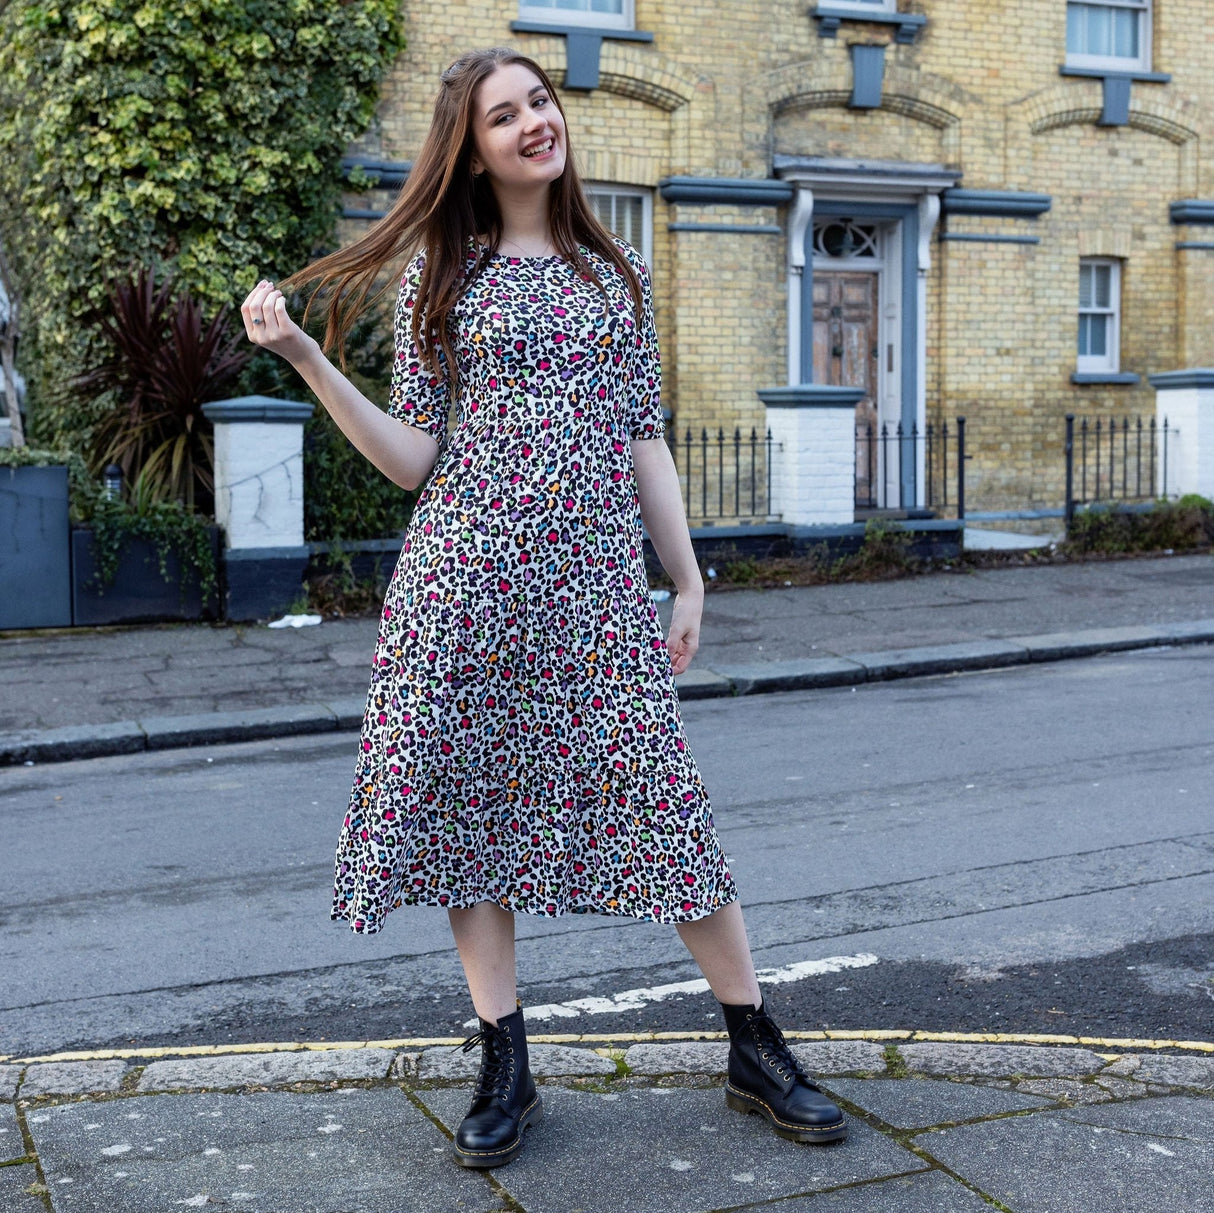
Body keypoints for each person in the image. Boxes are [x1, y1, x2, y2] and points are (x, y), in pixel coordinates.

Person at [240, 45, 845, 1167]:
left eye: (539, 102)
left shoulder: (608, 274)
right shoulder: (444, 278)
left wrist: (689, 572)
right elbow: (415, 460)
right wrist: (305, 361)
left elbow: (643, 436)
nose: (532, 122)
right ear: (470, 153)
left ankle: (753, 1044)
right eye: (502, 114)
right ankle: (504, 1058)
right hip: (460, 588)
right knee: (469, 821)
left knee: (660, 800)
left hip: (592, 593)